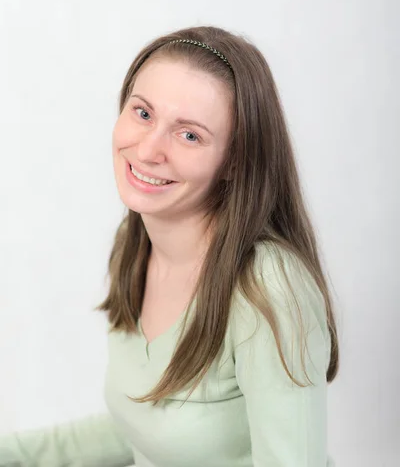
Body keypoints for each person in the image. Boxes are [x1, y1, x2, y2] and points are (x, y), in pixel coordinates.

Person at [0, 26, 339, 466]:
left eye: (189, 135)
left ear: (236, 161)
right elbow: (140, 434)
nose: (148, 149)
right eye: (143, 113)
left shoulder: (269, 290)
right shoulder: (135, 243)